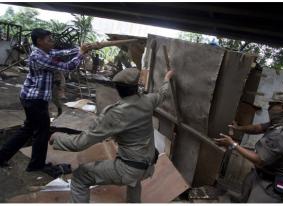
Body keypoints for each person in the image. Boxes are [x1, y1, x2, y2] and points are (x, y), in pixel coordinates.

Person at [50, 67, 175, 203]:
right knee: (134, 181)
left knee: (80, 176)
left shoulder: (115, 113)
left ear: (117, 89)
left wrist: (57, 137)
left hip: (129, 169)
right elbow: (162, 94)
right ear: (136, 87)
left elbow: (79, 143)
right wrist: (167, 78)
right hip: (149, 167)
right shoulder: (148, 101)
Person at [0, 28, 92, 173]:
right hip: (35, 99)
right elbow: (68, 67)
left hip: (32, 97)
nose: (52, 42)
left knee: (28, 129)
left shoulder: (44, 51)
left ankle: (2, 157)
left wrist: (81, 49)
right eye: (49, 40)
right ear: (40, 41)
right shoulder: (39, 57)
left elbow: (60, 53)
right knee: (42, 132)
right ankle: (36, 166)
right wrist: (80, 54)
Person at [215, 90, 283, 203]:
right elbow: (259, 128)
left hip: (269, 187)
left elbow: (259, 160)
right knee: (242, 200)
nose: (269, 107)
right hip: (259, 175)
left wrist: (233, 145)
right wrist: (238, 128)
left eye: (272, 104)